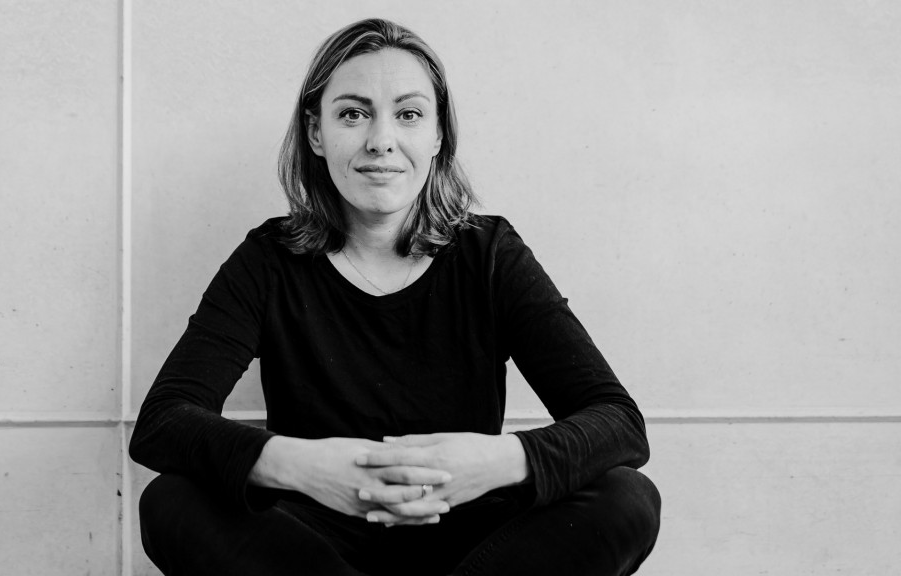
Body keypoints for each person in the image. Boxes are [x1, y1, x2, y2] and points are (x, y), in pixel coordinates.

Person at [130, 17, 660, 576]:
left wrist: (500, 460)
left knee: (627, 497)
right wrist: (301, 465)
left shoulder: (489, 254)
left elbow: (618, 422)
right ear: (315, 133)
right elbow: (164, 421)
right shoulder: (269, 260)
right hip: (313, 547)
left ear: (437, 135)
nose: (381, 140)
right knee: (171, 501)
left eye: (408, 114)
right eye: (352, 114)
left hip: (475, 546)